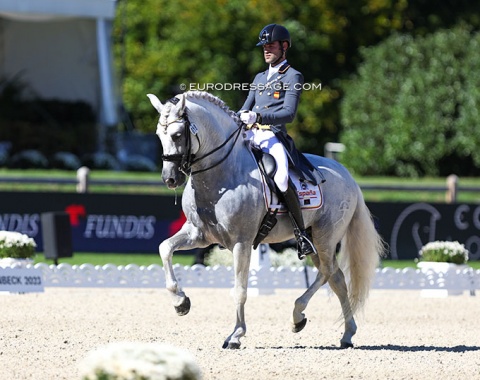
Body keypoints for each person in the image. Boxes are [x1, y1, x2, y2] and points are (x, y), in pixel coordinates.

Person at [239, 23, 323, 260]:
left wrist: (259, 116)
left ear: (284, 47)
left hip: (272, 135)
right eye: (264, 47)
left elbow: (289, 113)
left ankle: (301, 234)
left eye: (271, 46)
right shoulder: (258, 77)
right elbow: (245, 108)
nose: (266, 50)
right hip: (250, 134)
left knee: (281, 176)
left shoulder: (293, 76)